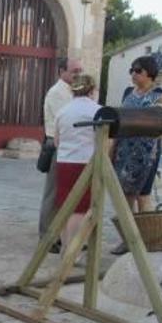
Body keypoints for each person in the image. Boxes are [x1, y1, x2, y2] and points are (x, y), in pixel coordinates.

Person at [111, 56, 162, 254]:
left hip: (146, 153)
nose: (133, 74)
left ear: (149, 73)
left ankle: (146, 239)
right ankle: (128, 238)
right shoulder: (128, 92)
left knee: (142, 195)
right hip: (125, 151)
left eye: (138, 70)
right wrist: (112, 148)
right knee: (124, 195)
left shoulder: (159, 96)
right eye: (132, 70)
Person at [54, 74, 101, 261]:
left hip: (64, 161)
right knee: (81, 208)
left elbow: (57, 140)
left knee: (66, 205)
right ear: (92, 90)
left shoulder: (63, 111)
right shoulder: (97, 110)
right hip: (85, 162)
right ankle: (72, 249)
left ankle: (65, 245)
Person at [40, 58, 83, 253]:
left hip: (69, 146)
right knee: (53, 192)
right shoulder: (58, 93)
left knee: (65, 193)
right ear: (62, 72)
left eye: (79, 71)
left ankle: (62, 234)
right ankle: (47, 237)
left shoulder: (71, 92)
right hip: (58, 144)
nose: (77, 74)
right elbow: (66, 120)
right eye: (74, 71)